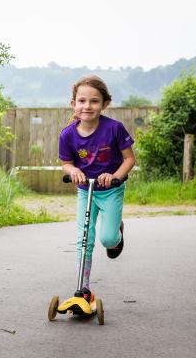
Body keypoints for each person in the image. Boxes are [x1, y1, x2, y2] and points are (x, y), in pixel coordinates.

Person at [58, 74, 135, 301]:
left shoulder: (114, 129)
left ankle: (117, 232)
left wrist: (115, 176)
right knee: (84, 239)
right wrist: (73, 172)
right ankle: (83, 290)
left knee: (108, 240)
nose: (87, 106)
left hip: (110, 190)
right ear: (74, 104)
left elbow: (129, 159)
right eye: (82, 101)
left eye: (94, 101)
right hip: (86, 191)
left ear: (104, 104)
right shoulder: (68, 134)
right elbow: (66, 164)